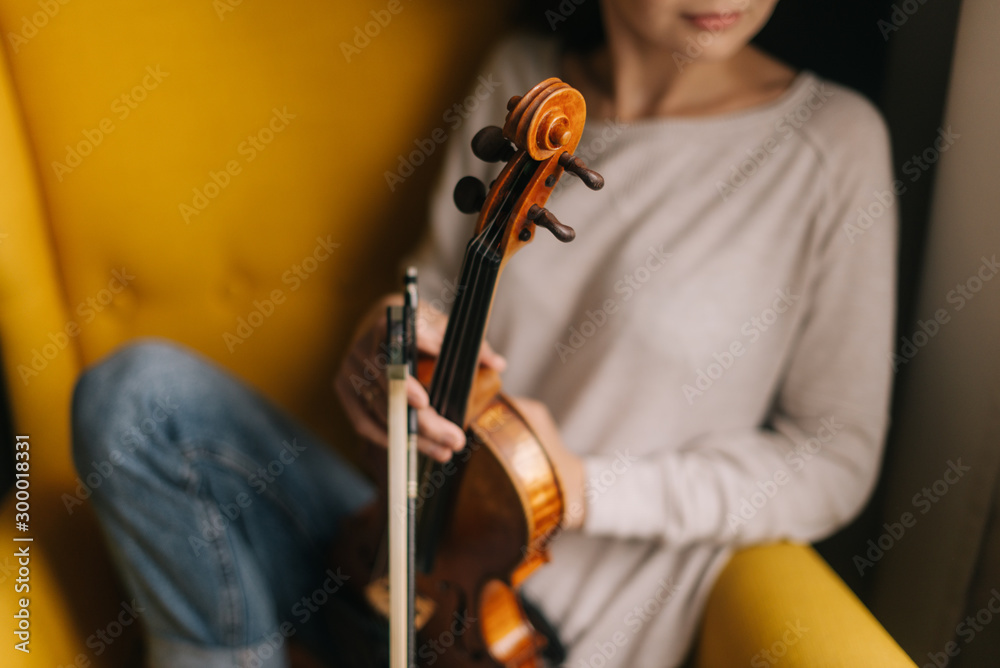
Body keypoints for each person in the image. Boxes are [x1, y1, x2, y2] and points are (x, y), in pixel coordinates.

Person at [71, 1, 897, 666]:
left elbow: (834, 456)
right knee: (133, 396)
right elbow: (440, 286)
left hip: (533, 636)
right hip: (397, 555)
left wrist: (578, 487)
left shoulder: (831, 144)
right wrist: (389, 343)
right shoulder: (522, 80)